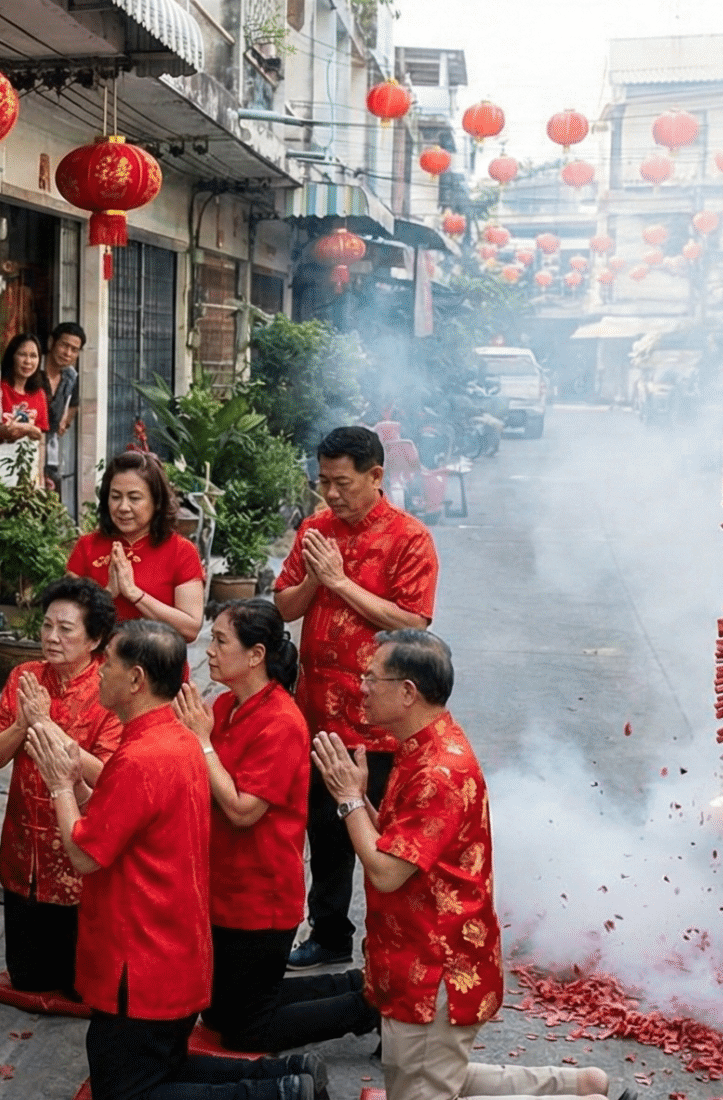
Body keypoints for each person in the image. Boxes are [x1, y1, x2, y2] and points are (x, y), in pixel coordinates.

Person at [311, 631, 614, 1100]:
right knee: (428, 1077)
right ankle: (575, 1085)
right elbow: (401, 847)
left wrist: (350, 800)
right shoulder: (420, 747)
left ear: (408, 691)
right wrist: (358, 803)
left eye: (371, 678)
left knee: (424, 1086)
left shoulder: (438, 770)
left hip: (434, 964)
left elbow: (387, 870)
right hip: (415, 951)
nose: (361, 688)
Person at [31, 621, 323, 1100]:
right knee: (160, 1068)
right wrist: (76, 781)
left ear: (136, 679)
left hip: (142, 955)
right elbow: (121, 808)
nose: (99, 673)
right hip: (169, 946)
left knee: (129, 1092)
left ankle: (277, 1094)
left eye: (108, 664)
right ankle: (289, 1077)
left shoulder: (145, 754)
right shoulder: (177, 738)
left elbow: (84, 854)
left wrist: (62, 786)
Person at [176, 600, 378, 1053]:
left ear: (255, 654)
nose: (208, 650)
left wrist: (201, 744)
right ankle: (355, 986)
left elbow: (244, 810)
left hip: (259, 895)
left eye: (220, 640)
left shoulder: (282, 721)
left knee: (246, 1029)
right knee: (223, 1011)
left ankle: (367, 1009)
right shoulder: (226, 704)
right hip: (222, 885)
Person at [273, 426, 439, 970]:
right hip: (319, 713)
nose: (331, 494)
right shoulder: (316, 529)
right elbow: (286, 606)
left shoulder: (409, 537)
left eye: (341, 482)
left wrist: (341, 584)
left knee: (388, 839)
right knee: (326, 831)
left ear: (375, 476)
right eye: (323, 482)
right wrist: (318, 580)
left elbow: (412, 621)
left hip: (384, 724)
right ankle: (328, 931)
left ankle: (392, 946)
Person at [0, 576, 124, 1002]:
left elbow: (109, 777)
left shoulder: (108, 690)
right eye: (46, 626)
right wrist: (24, 724)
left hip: (77, 855)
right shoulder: (25, 676)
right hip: (24, 850)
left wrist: (45, 725)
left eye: (66, 629)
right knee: (27, 979)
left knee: (82, 988)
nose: (51, 637)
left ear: (95, 639)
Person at [68, 451, 206, 642]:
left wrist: (134, 593)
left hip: (157, 666)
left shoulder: (181, 551)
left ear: (157, 501)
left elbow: (190, 629)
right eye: (115, 497)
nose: (123, 507)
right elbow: (67, 620)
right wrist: (107, 594)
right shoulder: (87, 546)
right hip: (99, 666)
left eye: (134, 498)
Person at [0, 333, 51, 484]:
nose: (28, 361)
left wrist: (40, 476)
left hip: (28, 468)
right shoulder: (0, 388)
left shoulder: (39, 394)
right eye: (22, 354)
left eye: (33, 356)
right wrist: (29, 429)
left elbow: (41, 440)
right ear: (12, 356)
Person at [44, 322, 88, 491]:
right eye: (64, 345)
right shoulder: (32, 368)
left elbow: (74, 404)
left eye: (74, 349)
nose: (68, 353)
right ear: (51, 343)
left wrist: (65, 422)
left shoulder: (71, 377)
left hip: (51, 455)